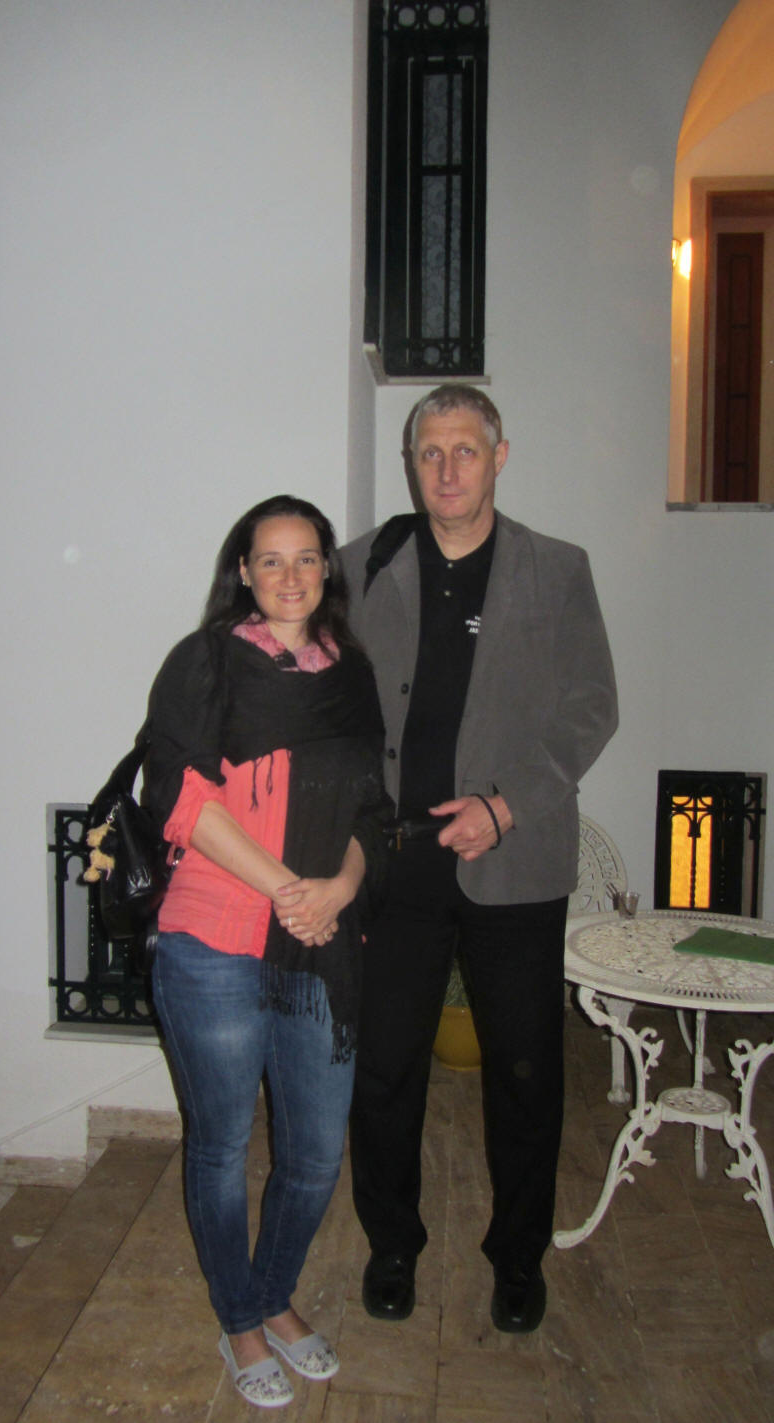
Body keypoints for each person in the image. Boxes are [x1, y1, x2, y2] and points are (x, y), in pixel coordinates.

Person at [341, 385, 618, 1334]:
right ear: (411, 463)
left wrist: (504, 806)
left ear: (500, 456)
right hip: (398, 864)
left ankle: (518, 1257)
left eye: (466, 449)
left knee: (526, 1074)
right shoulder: (366, 566)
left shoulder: (558, 569)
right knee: (384, 1068)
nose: (447, 469)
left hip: (516, 860)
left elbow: (592, 706)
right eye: (430, 452)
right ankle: (391, 1244)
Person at [144, 495, 388, 1409]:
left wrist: (340, 888)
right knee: (220, 1147)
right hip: (214, 940)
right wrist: (291, 888)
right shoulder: (205, 662)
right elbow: (181, 797)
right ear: (243, 572)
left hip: (320, 942)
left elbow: (373, 807)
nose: (291, 575)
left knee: (317, 1151)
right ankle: (240, 1317)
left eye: (307, 557)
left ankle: (272, 1293)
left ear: (328, 569)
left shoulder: (352, 674)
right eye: (271, 559)